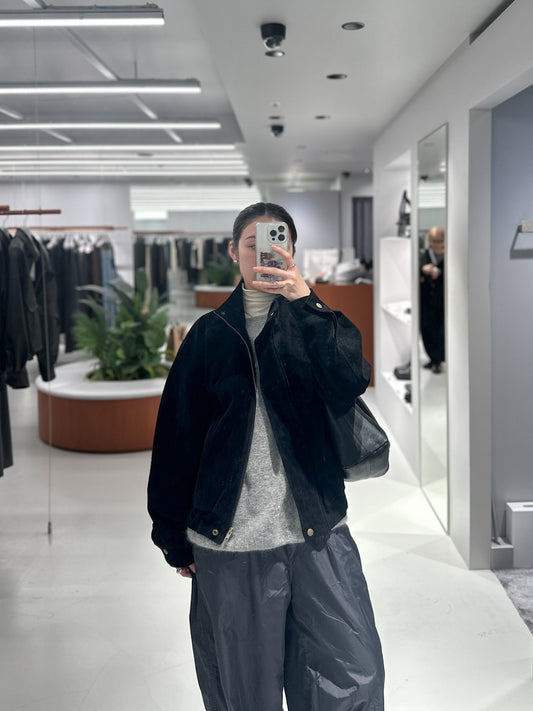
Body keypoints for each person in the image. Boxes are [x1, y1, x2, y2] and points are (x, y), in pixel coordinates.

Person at [147, 202, 385, 711]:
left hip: (318, 532)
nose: (263, 255)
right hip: (233, 544)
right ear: (233, 252)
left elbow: (351, 379)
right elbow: (175, 443)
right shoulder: (208, 336)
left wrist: (306, 301)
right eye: (251, 246)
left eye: (275, 245)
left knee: (352, 678)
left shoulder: (312, 322)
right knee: (245, 693)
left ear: (292, 252)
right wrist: (172, 538)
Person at [420, 226, 445, 373]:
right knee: (426, 330)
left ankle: (438, 360)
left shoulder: (448, 257)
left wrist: (440, 273)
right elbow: (417, 270)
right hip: (426, 301)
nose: (436, 244)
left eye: (439, 241)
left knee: (439, 332)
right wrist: (422, 270)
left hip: (441, 302)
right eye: (433, 241)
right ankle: (432, 358)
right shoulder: (424, 255)